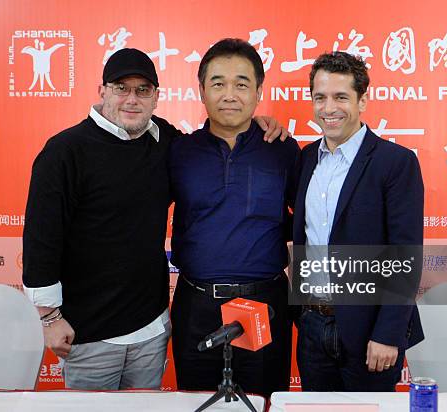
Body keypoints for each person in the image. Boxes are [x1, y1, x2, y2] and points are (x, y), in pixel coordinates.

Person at [22, 47, 287, 390]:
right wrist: (50, 318)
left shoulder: (167, 142)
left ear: (156, 97)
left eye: (143, 90)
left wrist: (263, 125)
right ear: (103, 90)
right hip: (91, 330)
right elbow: (41, 239)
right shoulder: (65, 151)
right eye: (121, 88)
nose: (132, 99)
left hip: (153, 327)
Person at [169, 38, 300, 398]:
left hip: (262, 304)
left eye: (241, 84)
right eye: (218, 83)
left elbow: (307, 223)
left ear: (259, 92)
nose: (230, 94)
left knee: (259, 401)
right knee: (197, 402)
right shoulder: (179, 151)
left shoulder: (283, 150)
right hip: (196, 305)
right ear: (201, 91)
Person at [292, 51, 424, 391]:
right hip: (312, 327)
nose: (328, 108)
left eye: (341, 97)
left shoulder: (395, 163)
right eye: (319, 97)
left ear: (363, 100)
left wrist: (388, 334)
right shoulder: (306, 159)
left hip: (370, 334)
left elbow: (404, 255)